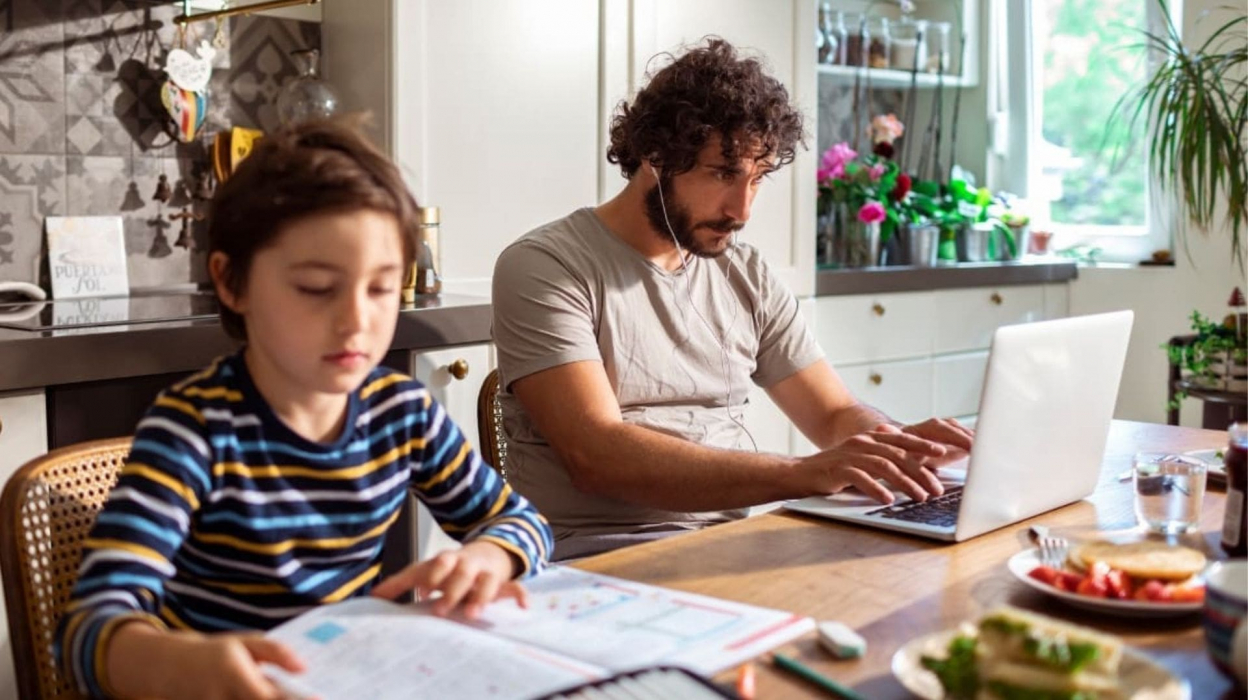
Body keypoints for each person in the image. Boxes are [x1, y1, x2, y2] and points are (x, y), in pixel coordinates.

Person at [56, 118, 553, 699]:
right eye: (317, 288)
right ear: (231, 282)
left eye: (381, 288)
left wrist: (492, 557)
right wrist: (175, 666)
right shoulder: (194, 429)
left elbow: (522, 522)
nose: (356, 321)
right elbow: (87, 628)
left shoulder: (402, 413)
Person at [491, 39, 972, 561]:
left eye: (758, 178)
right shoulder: (546, 266)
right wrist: (804, 472)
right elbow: (597, 454)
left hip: (729, 544)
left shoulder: (746, 273)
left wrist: (893, 447)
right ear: (656, 156)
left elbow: (833, 414)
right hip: (596, 557)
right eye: (723, 174)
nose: (741, 209)